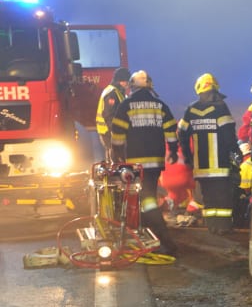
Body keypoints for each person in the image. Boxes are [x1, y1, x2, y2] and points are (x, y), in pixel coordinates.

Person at [110, 70, 181, 254]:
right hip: (155, 162)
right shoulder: (160, 105)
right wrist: (173, 151)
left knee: (144, 198)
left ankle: (165, 240)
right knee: (147, 196)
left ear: (132, 86)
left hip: (135, 163)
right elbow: (171, 131)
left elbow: (117, 133)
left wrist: (117, 154)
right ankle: (149, 231)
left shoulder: (126, 105)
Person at [177, 73, 238, 234]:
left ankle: (212, 228)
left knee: (208, 199)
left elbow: (182, 133)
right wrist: (235, 155)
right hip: (220, 165)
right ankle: (223, 228)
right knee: (222, 199)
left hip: (201, 166)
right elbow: (229, 136)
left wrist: (188, 156)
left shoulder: (191, 109)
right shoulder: (221, 107)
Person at [95, 67, 130, 163]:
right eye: (126, 81)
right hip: (108, 131)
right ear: (120, 81)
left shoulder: (118, 92)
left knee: (115, 156)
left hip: (112, 131)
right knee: (114, 158)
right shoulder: (112, 93)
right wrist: (114, 131)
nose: (128, 84)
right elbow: (109, 115)